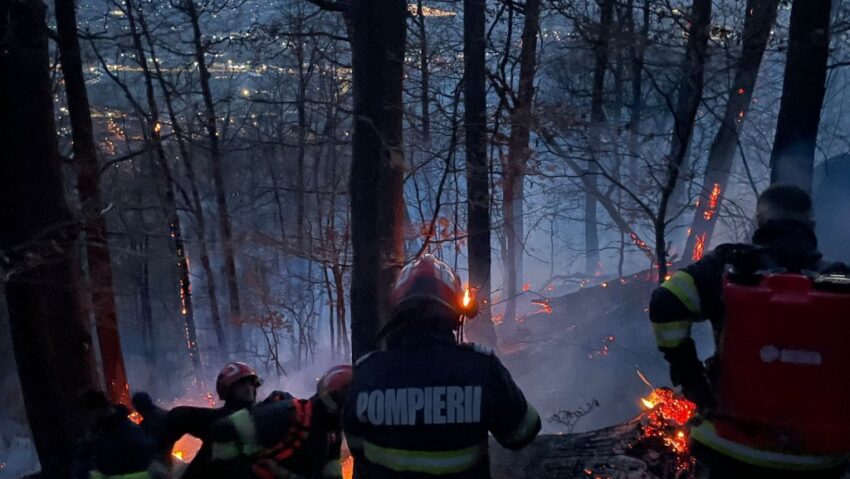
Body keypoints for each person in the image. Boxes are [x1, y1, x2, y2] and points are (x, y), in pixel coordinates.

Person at [649, 184, 850, 478]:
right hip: (820, 459)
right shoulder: (840, 279)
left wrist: (691, 379)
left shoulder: (730, 267)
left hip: (730, 449)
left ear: (759, 221)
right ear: (812, 226)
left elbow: (666, 300)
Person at [343, 254, 541, 478]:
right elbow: (523, 432)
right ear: (454, 315)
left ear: (397, 311)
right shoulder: (481, 369)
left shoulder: (365, 373)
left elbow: (357, 446)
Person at [207, 365, 353, 479]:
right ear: (336, 400)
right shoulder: (291, 413)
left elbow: (331, 467)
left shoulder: (332, 431)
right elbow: (224, 429)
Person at [160, 362, 284, 478]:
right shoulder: (215, 419)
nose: (248, 388)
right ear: (228, 390)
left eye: (251, 384)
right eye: (242, 384)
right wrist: (163, 459)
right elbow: (178, 416)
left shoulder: (263, 415)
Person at [72, 390, 159, 479]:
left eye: (85, 415)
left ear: (97, 411)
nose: (83, 421)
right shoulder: (99, 437)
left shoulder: (123, 436)